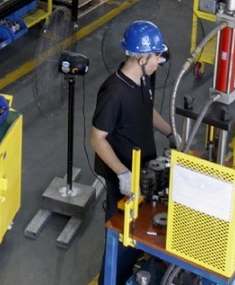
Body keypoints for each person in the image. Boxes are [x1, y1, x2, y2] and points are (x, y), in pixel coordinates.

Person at [90, 20, 175, 285]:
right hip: (123, 177)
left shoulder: (142, 79)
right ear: (141, 58)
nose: (159, 61)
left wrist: (170, 132)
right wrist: (123, 174)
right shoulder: (113, 92)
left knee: (142, 232)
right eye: (157, 56)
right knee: (122, 238)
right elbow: (97, 138)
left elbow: (147, 110)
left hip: (143, 170)